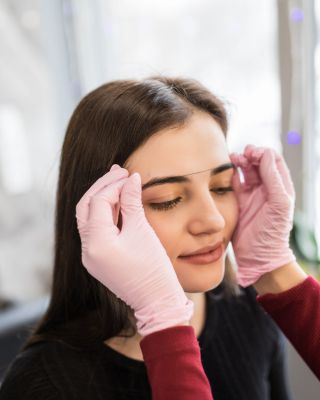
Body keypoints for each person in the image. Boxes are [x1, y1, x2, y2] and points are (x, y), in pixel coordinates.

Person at [0, 78, 291, 399]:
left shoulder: (251, 309)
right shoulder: (41, 386)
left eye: (221, 187)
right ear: (100, 216)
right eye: (167, 199)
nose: (213, 220)